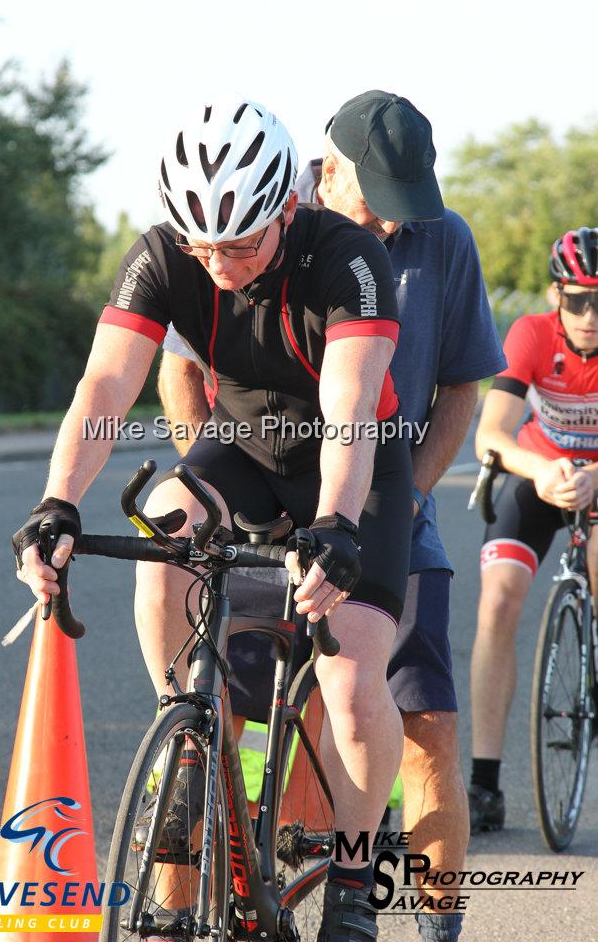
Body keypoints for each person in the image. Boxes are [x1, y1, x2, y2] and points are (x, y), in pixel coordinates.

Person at [12, 95, 414, 942]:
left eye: (238, 243)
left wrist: (336, 528)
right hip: (245, 451)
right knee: (163, 521)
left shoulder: (343, 258)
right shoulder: (164, 254)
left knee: (348, 679)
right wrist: (58, 503)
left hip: (352, 466)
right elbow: (106, 389)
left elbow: (346, 408)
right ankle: (187, 732)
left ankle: (349, 876)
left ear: (284, 208)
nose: (217, 262)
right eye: (202, 245)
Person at [158, 90, 505, 942]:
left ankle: (429, 921)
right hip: (259, 492)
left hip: (387, 497)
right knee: (210, 712)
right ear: (325, 171)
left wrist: (413, 495)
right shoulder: (257, 215)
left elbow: (464, 383)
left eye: (403, 212)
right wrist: (216, 472)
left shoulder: (443, 239)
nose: (388, 228)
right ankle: (176, 906)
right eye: (372, 206)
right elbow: (177, 367)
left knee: (423, 715)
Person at [470, 227, 598, 831]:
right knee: (498, 601)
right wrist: (544, 470)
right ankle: (485, 783)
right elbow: (490, 434)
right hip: (539, 473)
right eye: (577, 300)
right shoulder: (531, 334)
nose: (590, 315)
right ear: (556, 296)